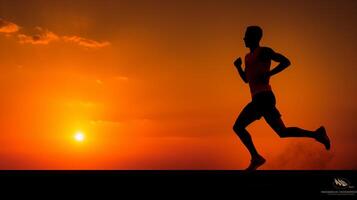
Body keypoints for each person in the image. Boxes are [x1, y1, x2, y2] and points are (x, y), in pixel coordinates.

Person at [233, 26, 330, 171]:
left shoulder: (264, 51)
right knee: (282, 132)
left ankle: (256, 157)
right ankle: (317, 134)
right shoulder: (247, 57)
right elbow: (246, 80)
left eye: (246, 36)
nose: (243, 38)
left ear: (254, 37)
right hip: (260, 98)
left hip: (264, 97)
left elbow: (286, 61)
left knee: (238, 127)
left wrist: (269, 73)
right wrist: (238, 67)